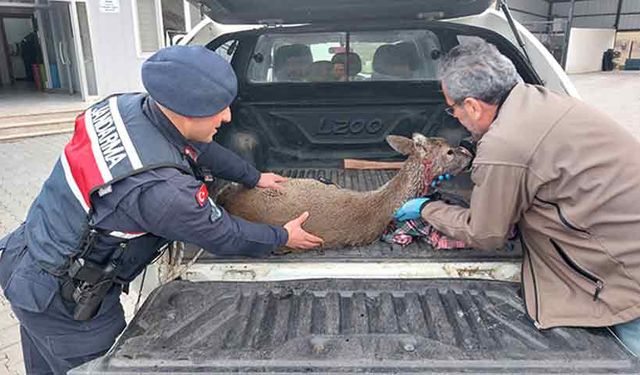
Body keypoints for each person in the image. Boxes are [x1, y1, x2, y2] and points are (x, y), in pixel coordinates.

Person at [0, 45, 324, 374]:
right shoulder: (161, 189)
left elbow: (199, 148)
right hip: (63, 303)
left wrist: (253, 176)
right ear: (185, 112)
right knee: (95, 366)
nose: (227, 117)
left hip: (26, 252)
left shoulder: (124, 106)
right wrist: (282, 235)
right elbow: (222, 234)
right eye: (218, 109)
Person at [394, 40, 640, 355]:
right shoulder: (539, 100)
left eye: (452, 109)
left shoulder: (505, 146)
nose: (453, 116)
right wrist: (469, 151)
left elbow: (485, 234)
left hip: (623, 277)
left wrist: (427, 208)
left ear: (472, 105)